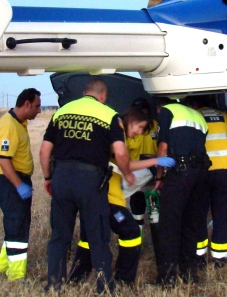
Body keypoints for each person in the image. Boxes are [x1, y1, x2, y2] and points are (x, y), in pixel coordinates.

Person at [40, 77, 135, 294]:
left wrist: (48, 178)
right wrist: (128, 173)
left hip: (62, 177)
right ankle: (104, 287)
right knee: (98, 235)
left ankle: (54, 284)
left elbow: (44, 151)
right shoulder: (109, 115)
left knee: (59, 236)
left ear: (84, 93)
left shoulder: (61, 113)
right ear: (103, 96)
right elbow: (120, 152)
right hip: (91, 182)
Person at [68, 107, 175, 285]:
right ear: (131, 122)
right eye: (140, 128)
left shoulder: (113, 137)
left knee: (88, 239)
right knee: (131, 232)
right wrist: (156, 161)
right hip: (106, 198)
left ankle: (75, 279)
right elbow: (127, 164)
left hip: (97, 196)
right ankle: (123, 280)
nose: (139, 133)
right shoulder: (116, 137)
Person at [154, 98, 210, 286]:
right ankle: (189, 274)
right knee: (191, 223)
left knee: (169, 225)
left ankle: (167, 277)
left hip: (180, 173)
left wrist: (159, 177)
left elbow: (163, 148)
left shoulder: (167, 111)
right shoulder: (198, 116)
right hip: (201, 174)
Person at [188, 96, 227, 268]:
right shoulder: (223, 116)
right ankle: (220, 258)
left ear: (194, 103)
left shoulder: (194, 115)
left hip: (203, 171)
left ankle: (199, 257)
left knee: (200, 214)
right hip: (224, 170)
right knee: (221, 214)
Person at [0, 88, 42, 281]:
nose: (39, 110)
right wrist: (19, 185)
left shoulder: (19, 122)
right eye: (37, 106)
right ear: (26, 104)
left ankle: (2, 263)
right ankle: (16, 273)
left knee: (15, 223)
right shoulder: (9, 126)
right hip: (11, 182)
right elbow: (4, 160)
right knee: (17, 224)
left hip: (17, 180)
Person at [128, 97, 158, 234]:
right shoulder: (128, 129)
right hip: (135, 174)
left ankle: (157, 242)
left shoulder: (155, 125)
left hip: (152, 174)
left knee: (155, 212)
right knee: (137, 212)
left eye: (144, 110)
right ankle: (137, 240)